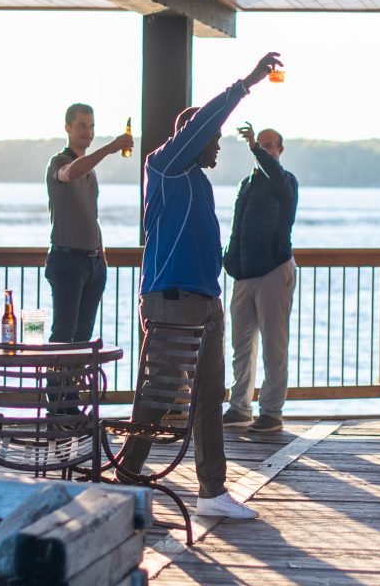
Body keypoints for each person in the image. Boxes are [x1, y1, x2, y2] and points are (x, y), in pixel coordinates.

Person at [118, 52, 281, 522]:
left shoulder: (197, 182)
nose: (217, 148)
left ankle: (211, 491)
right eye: (213, 140)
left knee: (211, 398)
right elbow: (205, 121)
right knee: (160, 394)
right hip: (171, 302)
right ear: (194, 138)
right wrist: (248, 81)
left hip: (205, 303)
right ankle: (126, 482)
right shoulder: (166, 167)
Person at [222, 123, 299, 434]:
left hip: (273, 270)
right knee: (240, 346)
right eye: (261, 145)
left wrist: (254, 146)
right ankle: (239, 406)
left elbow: (273, 173)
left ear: (279, 151)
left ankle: (271, 411)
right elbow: (237, 226)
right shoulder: (247, 184)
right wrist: (228, 259)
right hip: (243, 274)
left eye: (270, 145)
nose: (265, 149)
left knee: (274, 346)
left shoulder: (285, 182)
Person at [45, 103, 132, 342]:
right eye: (82, 126)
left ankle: (78, 381)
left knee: (83, 338)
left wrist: (101, 259)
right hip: (67, 261)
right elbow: (70, 173)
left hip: (92, 264)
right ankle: (57, 381)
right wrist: (110, 148)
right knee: (63, 335)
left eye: (91, 126)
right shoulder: (58, 161)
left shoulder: (90, 171)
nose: (88, 132)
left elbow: (91, 216)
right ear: (68, 128)